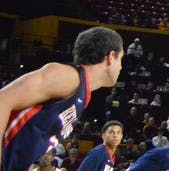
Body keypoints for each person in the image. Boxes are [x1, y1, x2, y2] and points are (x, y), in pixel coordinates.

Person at [0, 27, 123, 171]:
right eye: (121, 59)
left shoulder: (82, 94)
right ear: (111, 57)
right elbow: (3, 99)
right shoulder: (69, 76)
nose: (121, 67)